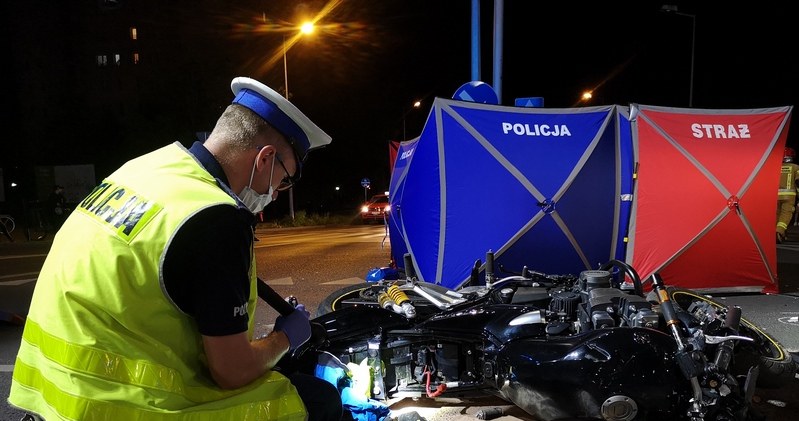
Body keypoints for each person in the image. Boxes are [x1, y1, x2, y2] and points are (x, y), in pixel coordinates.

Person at [8, 77, 343, 421]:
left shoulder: (142, 170)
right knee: (319, 400)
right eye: (284, 178)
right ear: (265, 158)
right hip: (125, 407)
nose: (275, 193)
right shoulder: (216, 217)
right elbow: (232, 371)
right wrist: (285, 338)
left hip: (56, 390)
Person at [777, 146, 799, 243]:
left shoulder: (776, 166)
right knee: (786, 215)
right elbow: (798, 182)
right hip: (789, 196)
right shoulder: (795, 167)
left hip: (775, 196)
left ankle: (781, 234)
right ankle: (779, 231)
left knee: (777, 215)